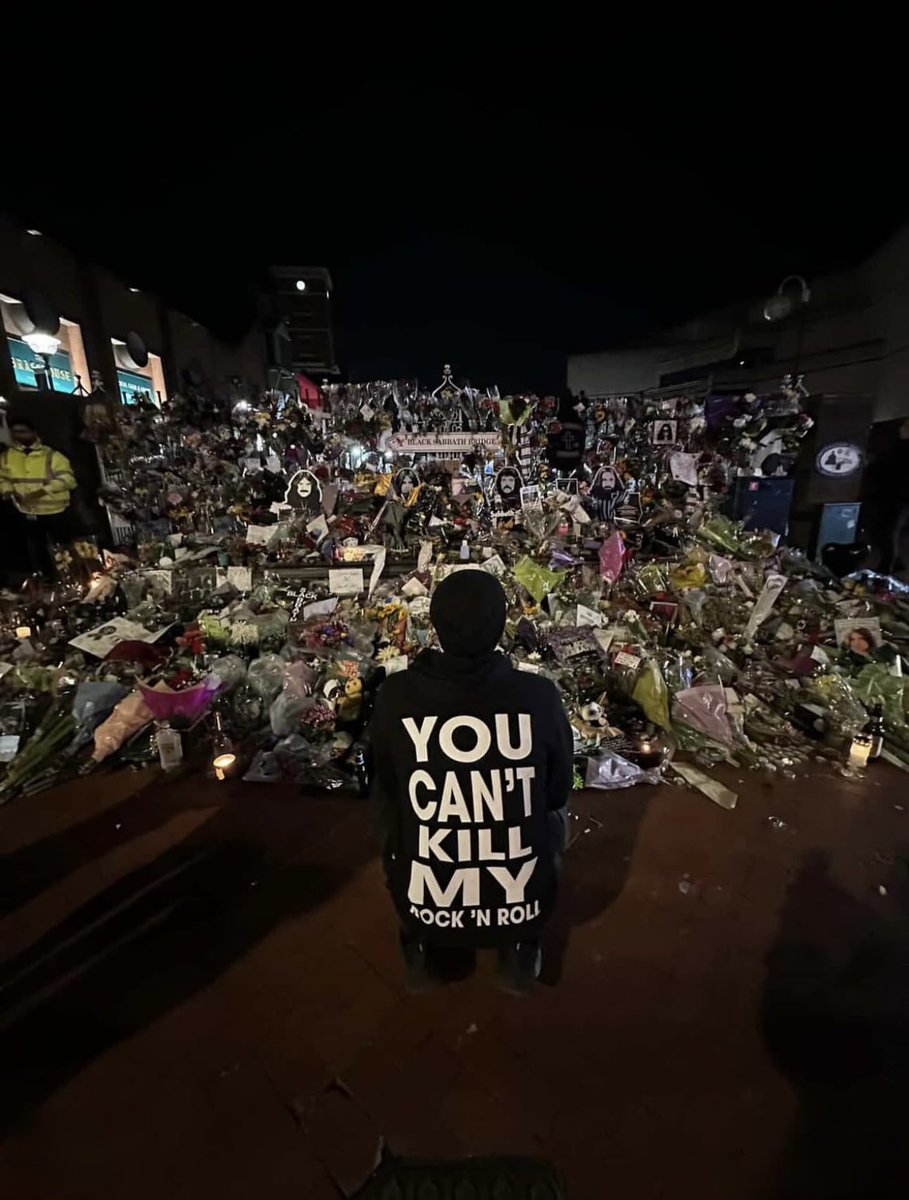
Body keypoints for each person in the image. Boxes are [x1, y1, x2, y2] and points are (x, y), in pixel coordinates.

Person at [369, 570, 573, 993]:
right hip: (524, 901)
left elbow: (385, 785)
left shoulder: (396, 695)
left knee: (388, 805)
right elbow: (556, 791)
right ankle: (519, 946)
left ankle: (421, 944)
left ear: (437, 628)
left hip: (425, 903)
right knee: (556, 812)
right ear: (500, 627)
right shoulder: (538, 696)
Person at [0, 419, 77, 582]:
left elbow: (69, 480)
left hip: (56, 511)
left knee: (62, 549)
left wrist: (43, 491)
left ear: (34, 433)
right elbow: (2, 478)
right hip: (27, 510)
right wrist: (7, 490)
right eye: (15, 432)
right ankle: (47, 580)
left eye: (23, 431)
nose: (18, 435)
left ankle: (70, 578)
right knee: (37, 550)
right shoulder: (7, 456)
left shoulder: (52, 455)